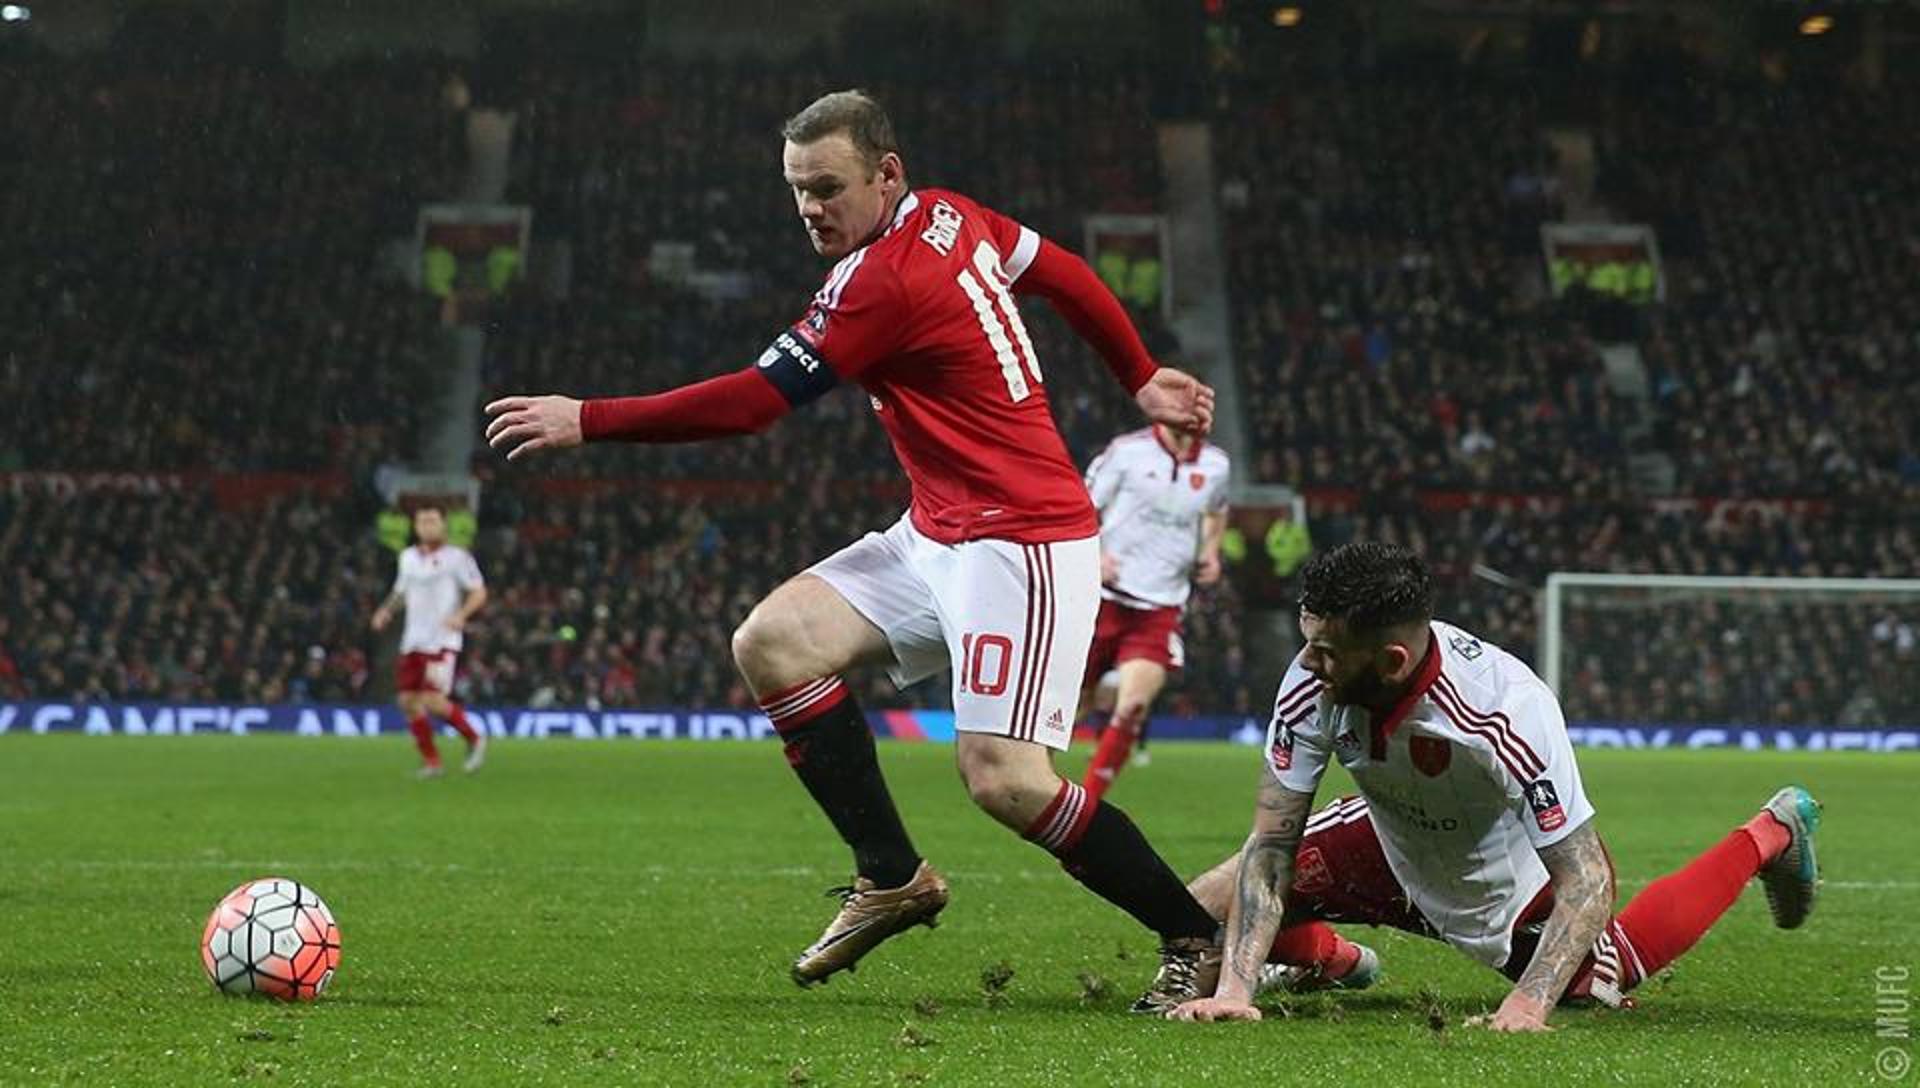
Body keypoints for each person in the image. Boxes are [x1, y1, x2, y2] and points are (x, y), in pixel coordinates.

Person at [484, 89, 1224, 1010]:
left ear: (887, 174)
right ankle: (891, 876)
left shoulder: (880, 282)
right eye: (797, 191)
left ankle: (1197, 938)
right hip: (936, 532)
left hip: (1020, 540)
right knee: (773, 641)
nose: (811, 209)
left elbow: (755, 403)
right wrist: (1140, 374)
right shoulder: (955, 216)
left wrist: (587, 418)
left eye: (829, 188)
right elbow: (1064, 271)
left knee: (1004, 782)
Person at [1168, 542, 1822, 1028]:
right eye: (1308, 642)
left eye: (1327, 651)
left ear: (1392, 661)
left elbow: (1586, 878)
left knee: (1600, 975)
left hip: (1498, 881)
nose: (1308, 663)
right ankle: (1335, 960)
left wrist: (1527, 1003)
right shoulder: (1314, 677)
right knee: (1193, 918)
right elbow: (1273, 847)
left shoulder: (1504, 711)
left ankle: (1770, 834)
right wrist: (1234, 991)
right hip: (1386, 840)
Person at [1077, 424, 1229, 802]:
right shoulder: (1126, 450)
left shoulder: (1216, 464)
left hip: (1160, 606)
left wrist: (1211, 550)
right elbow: (1080, 503)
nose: (1195, 410)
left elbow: (1217, 509)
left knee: (1134, 705)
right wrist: (1092, 553)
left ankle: (1087, 806)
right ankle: (1024, 782)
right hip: (1104, 598)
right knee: (1072, 704)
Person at [370, 506, 489, 778]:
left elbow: (479, 591)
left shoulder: (457, 558)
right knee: (407, 701)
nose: (427, 526)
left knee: (432, 700)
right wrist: (385, 611)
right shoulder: (408, 557)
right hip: (413, 640)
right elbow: (401, 591)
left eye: (432, 521)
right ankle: (432, 763)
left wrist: (461, 615)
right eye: (422, 521)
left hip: (442, 640)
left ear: (443, 526)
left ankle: (474, 738)